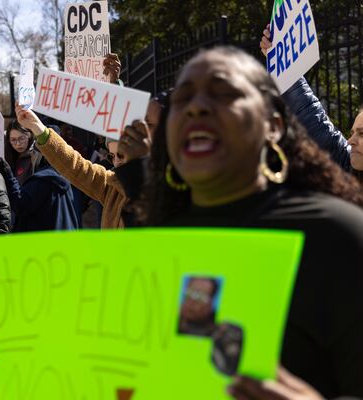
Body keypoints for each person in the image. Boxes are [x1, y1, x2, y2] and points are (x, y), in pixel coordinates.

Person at [114, 46, 363, 399]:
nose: (196, 107)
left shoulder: (338, 237)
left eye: (223, 94)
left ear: (273, 125)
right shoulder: (158, 237)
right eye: (182, 100)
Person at [13, 104, 150, 229]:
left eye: (121, 154)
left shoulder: (161, 190)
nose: (116, 162)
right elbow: (76, 166)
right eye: (112, 156)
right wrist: (38, 128)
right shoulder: (111, 185)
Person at [260, 25, 363, 183]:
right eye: (353, 133)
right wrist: (279, 57)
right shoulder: (347, 163)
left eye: (361, 134)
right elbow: (310, 114)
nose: (350, 141)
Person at [2, 118, 79, 232]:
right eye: (13, 140)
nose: (18, 144)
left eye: (21, 138)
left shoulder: (43, 178)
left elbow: (21, 204)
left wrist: (8, 176)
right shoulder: (59, 174)